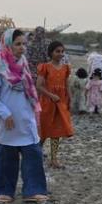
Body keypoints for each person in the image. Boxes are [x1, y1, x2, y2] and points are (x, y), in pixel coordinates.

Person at [0, 29, 48, 204]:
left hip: (25, 117)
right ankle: (4, 190)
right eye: (18, 44)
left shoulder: (23, 63)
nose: (22, 48)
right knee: (5, 155)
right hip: (6, 120)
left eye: (24, 44)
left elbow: (29, 92)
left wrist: (35, 115)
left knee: (33, 152)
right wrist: (4, 113)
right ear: (7, 44)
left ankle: (33, 190)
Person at [36, 41, 74, 169]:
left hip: (61, 103)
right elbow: (39, 86)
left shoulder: (65, 68)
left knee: (57, 131)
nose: (60, 54)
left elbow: (66, 85)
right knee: (44, 130)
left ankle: (54, 159)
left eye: (62, 51)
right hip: (47, 103)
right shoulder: (45, 67)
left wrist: (70, 98)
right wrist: (51, 95)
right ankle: (36, 154)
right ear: (51, 52)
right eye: (57, 51)